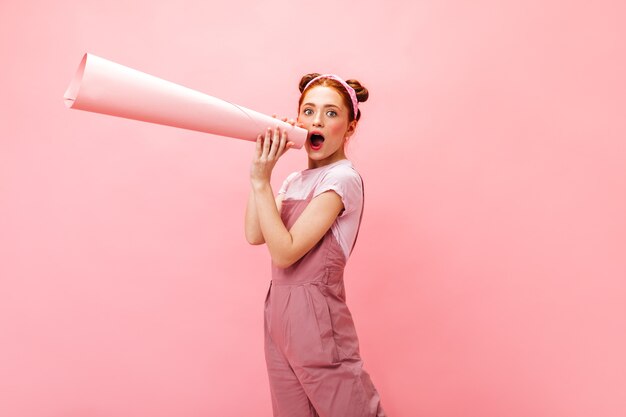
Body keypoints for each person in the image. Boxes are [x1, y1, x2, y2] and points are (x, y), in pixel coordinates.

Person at [245, 73, 387, 417]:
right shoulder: (295, 179)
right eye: (308, 111)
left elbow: (285, 250)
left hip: (317, 321)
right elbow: (254, 233)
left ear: (350, 127)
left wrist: (262, 182)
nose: (316, 121)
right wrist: (262, 171)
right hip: (278, 316)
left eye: (331, 113)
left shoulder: (342, 178)